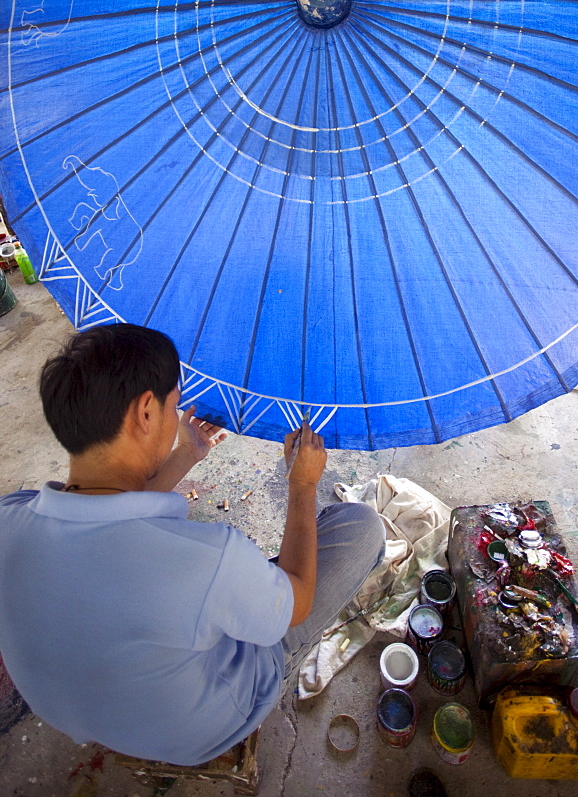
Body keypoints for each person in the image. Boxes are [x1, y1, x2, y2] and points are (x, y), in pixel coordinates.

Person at [0, 324, 385, 764]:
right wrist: (302, 484)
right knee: (363, 525)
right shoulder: (206, 558)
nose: (175, 410)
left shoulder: (10, 519)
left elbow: (108, 510)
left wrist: (185, 453)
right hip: (199, 731)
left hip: (71, 713)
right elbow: (295, 604)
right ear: (146, 412)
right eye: (173, 403)